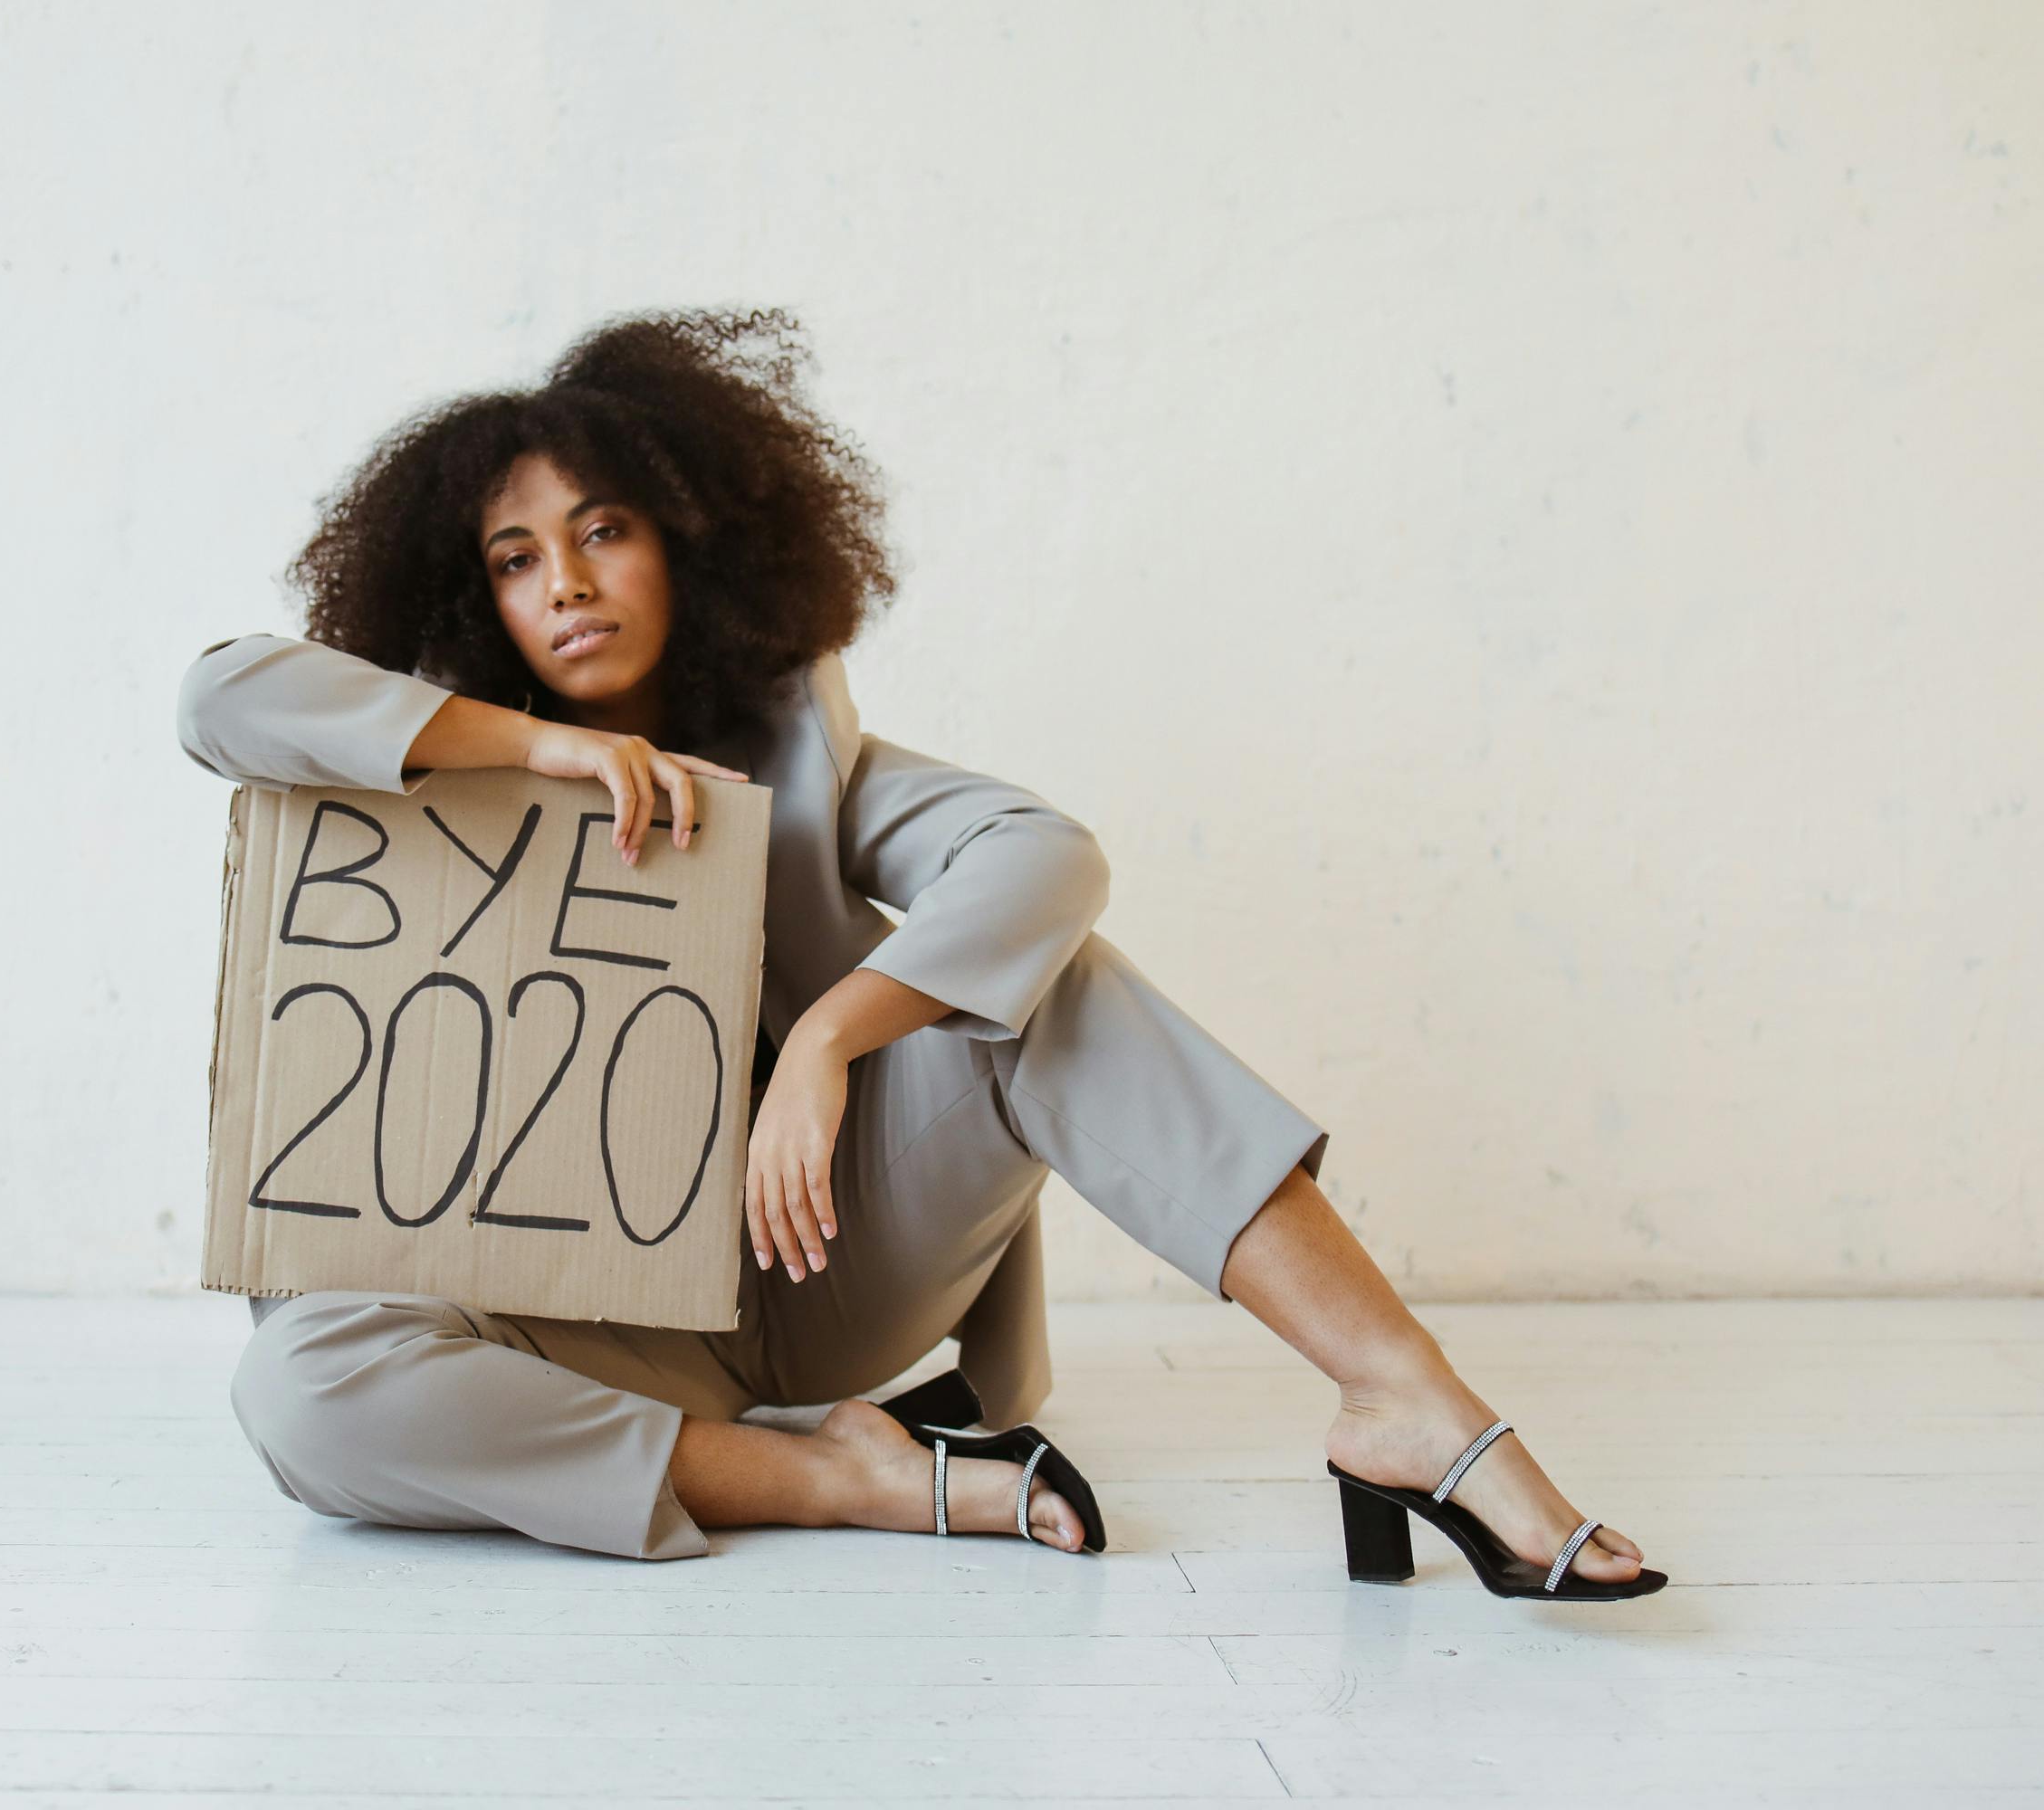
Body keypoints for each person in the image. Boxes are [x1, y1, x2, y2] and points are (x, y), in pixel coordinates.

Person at [176, 307, 1659, 1596]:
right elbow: (218, 698)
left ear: (690, 544)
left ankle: (1401, 1398)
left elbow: (1044, 854)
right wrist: (546, 755)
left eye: (603, 530)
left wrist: (832, 1040)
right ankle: (836, 1480)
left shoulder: (798, 757)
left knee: (1037, 982)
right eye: (517, 556)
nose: (564, 581)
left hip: (804, 1268)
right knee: (301, 1391)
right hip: (566, 1324)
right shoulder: (434, 758)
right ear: (474, 596)